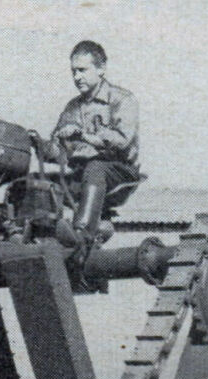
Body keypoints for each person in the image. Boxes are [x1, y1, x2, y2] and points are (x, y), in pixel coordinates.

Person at [45, 40, 140, 251]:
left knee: (95, 167)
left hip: (119, 171)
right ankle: (35, 236)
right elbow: (58, 152)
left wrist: (83, 135)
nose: (77, 77)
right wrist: (40, 146)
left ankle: (82, 234)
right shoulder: (72, 107)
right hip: (83, 174)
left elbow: (122, 141)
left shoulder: (123, 100)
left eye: (82, 70)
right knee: (40, 183)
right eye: (73, 72)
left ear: (101, 69)